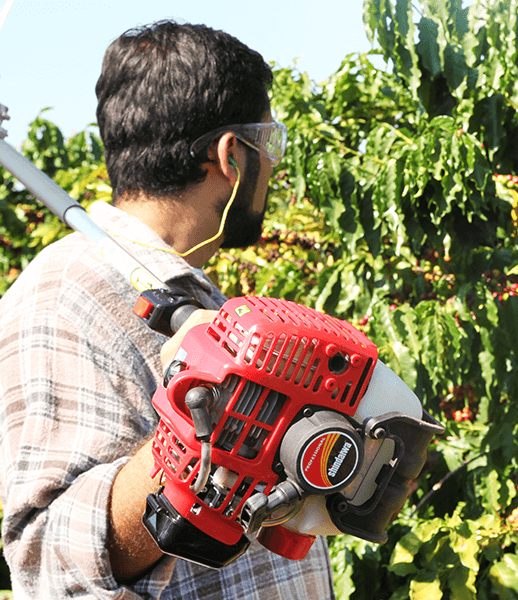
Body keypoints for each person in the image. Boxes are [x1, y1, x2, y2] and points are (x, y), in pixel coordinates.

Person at [0, 21, 335, 598]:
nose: (273, 169)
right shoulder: (66, 291)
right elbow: (46, 556)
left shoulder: (206, 304)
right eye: (269, 144)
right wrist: (200, 441)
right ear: (231, 154)